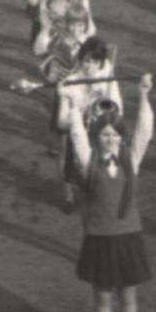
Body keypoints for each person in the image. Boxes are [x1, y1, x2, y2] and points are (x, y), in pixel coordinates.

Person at [63, 73, 154, 312]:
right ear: (97, 137)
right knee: (103, 297)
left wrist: (143, 96)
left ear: (121, 137)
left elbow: (144, 131)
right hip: (99, 238)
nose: (110, 139)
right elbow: (76, 134)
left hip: (128, 236)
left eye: (115, 134)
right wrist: (71, 102)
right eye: (105, 134)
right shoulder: (88, 161)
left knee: (128, 296)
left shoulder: (131, 157)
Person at [55, 37, 123, 211]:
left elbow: (118, 111)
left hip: (99, 135)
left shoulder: (108, 80)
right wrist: (76, 112)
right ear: (80, 59)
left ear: (101, 63)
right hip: (78, 134)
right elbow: (61, 122)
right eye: (86, 60)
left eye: (95, 62)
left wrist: (104, 106)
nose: (90, 66)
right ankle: (68, 196)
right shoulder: (70, 82)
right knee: (72, 170)